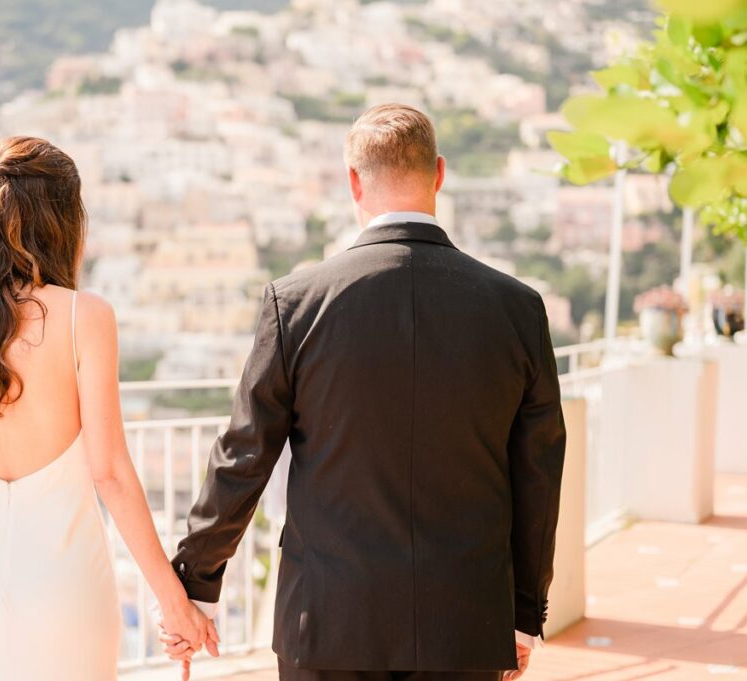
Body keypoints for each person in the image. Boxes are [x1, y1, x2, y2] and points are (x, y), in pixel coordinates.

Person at [161, 104, 567, 681]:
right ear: (440, 174)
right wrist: (525, 613)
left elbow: (244, 456)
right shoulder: (518, 308)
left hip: (327, 623)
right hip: (467, 625)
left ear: (353, 180)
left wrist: (195, 585)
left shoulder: (295, 303)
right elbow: (539, 474)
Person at [0, 136, 218, 681]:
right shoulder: (83, 318)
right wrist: (173, 601)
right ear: (65, 223)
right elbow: (110, 474)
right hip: (66, 581)